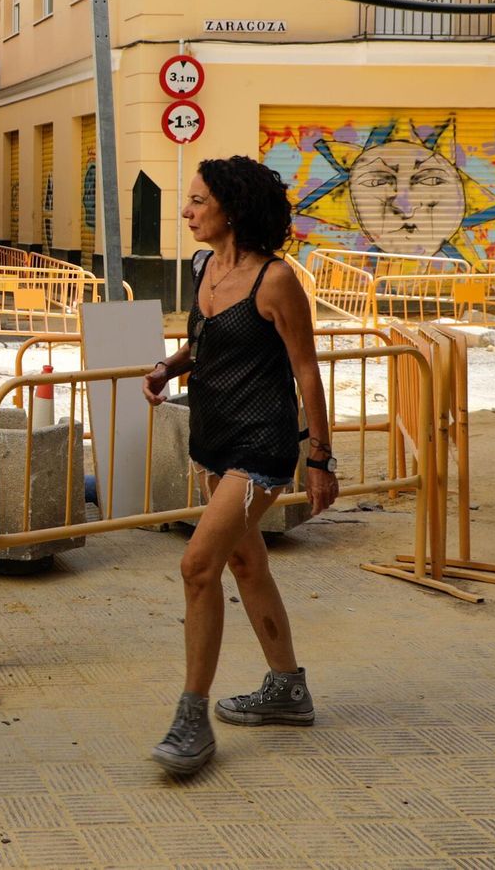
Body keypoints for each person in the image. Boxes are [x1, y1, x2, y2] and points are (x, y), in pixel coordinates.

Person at [141, 155, 339, 777]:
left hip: (261, 446)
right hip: (213, 439)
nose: (186, 211)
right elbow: (205, 345)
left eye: (198, 200)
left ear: (233, 208)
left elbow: (306, 369)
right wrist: (168, 369)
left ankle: (192, 719)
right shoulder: (205, 268)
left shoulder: (275, 280)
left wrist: (320, 458)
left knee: (198, 565)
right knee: (247, 564)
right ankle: (288, 688)